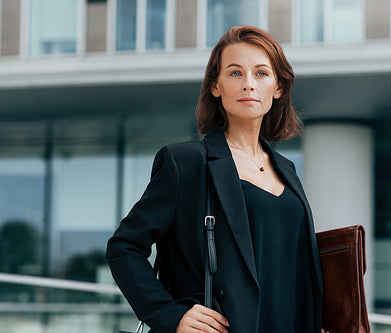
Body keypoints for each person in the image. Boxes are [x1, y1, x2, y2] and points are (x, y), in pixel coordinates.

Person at [106, 25, 326, 333]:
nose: (248, 84)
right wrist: (170, 314)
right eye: (235, 73)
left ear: (278, 87)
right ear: (215, 86)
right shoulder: (186, 162)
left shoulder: (286, 170)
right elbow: (124, 247)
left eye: (261, 73)